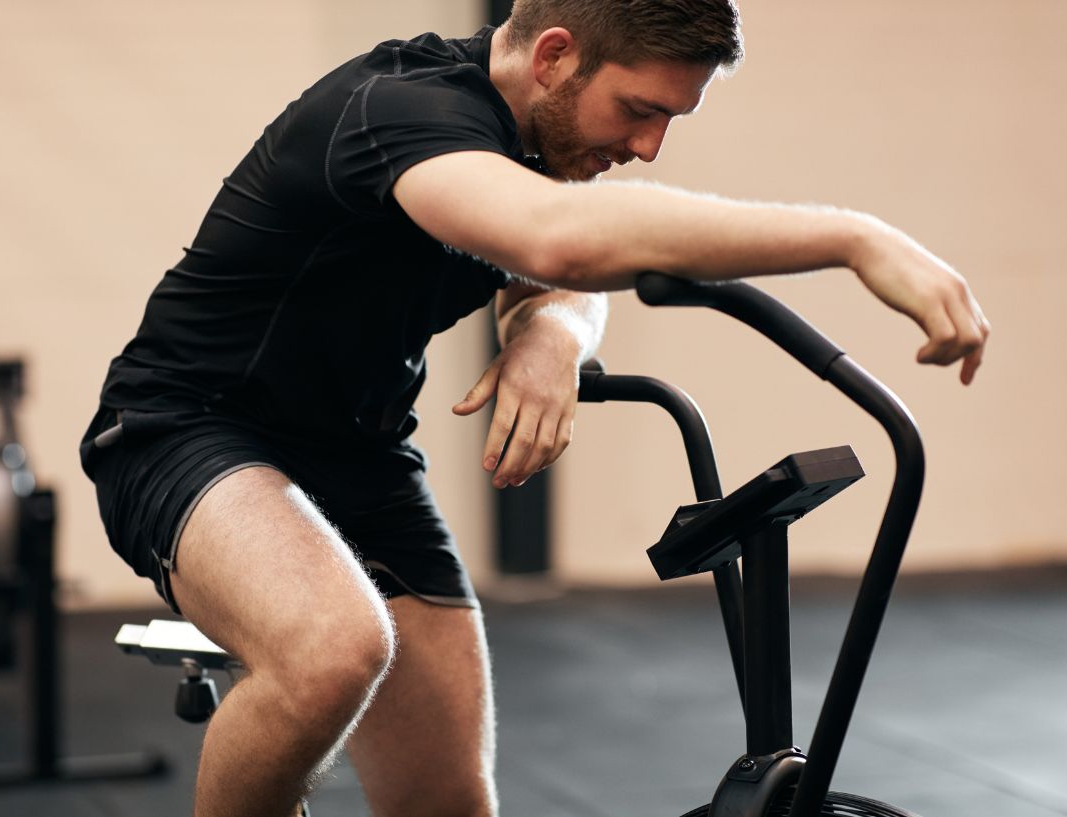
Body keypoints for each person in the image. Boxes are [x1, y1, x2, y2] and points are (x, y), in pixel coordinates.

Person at [79, 1, 990, 815]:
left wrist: (551, 333)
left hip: (358, 456)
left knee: (450, 802)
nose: (647, 150)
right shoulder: (407, 109)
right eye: (640, 111)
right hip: (184, 426)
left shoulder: (533, 143)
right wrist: (852, 237)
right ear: (554, 55)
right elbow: (562, 241)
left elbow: (556, 272)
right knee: (332, 650)